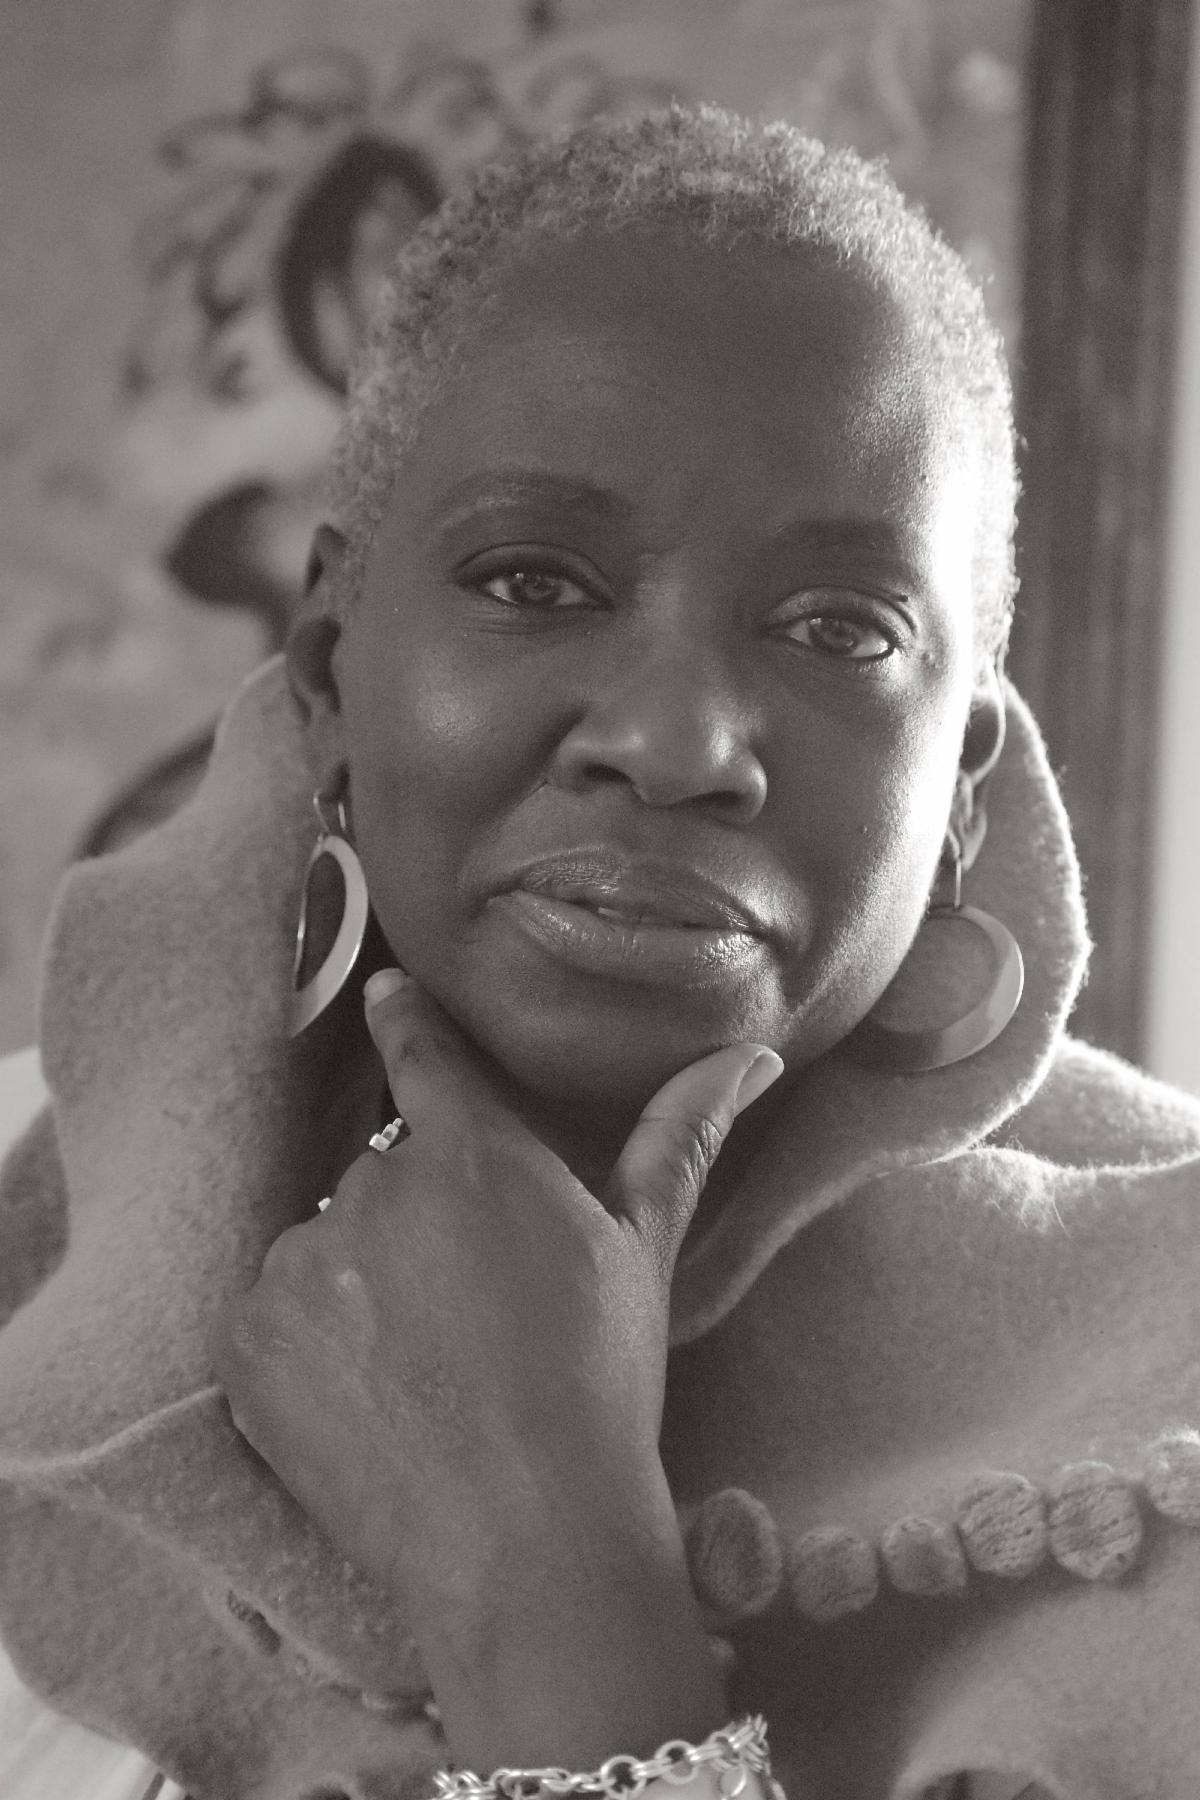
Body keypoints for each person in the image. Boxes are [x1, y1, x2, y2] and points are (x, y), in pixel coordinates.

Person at [2, 104, 1200, 1800]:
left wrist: (554, 1560)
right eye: (533, 579)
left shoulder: (1179, 1366)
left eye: (841, 627)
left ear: (964, 797)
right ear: (333, 673)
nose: (678, 738)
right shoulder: (24, 1234)